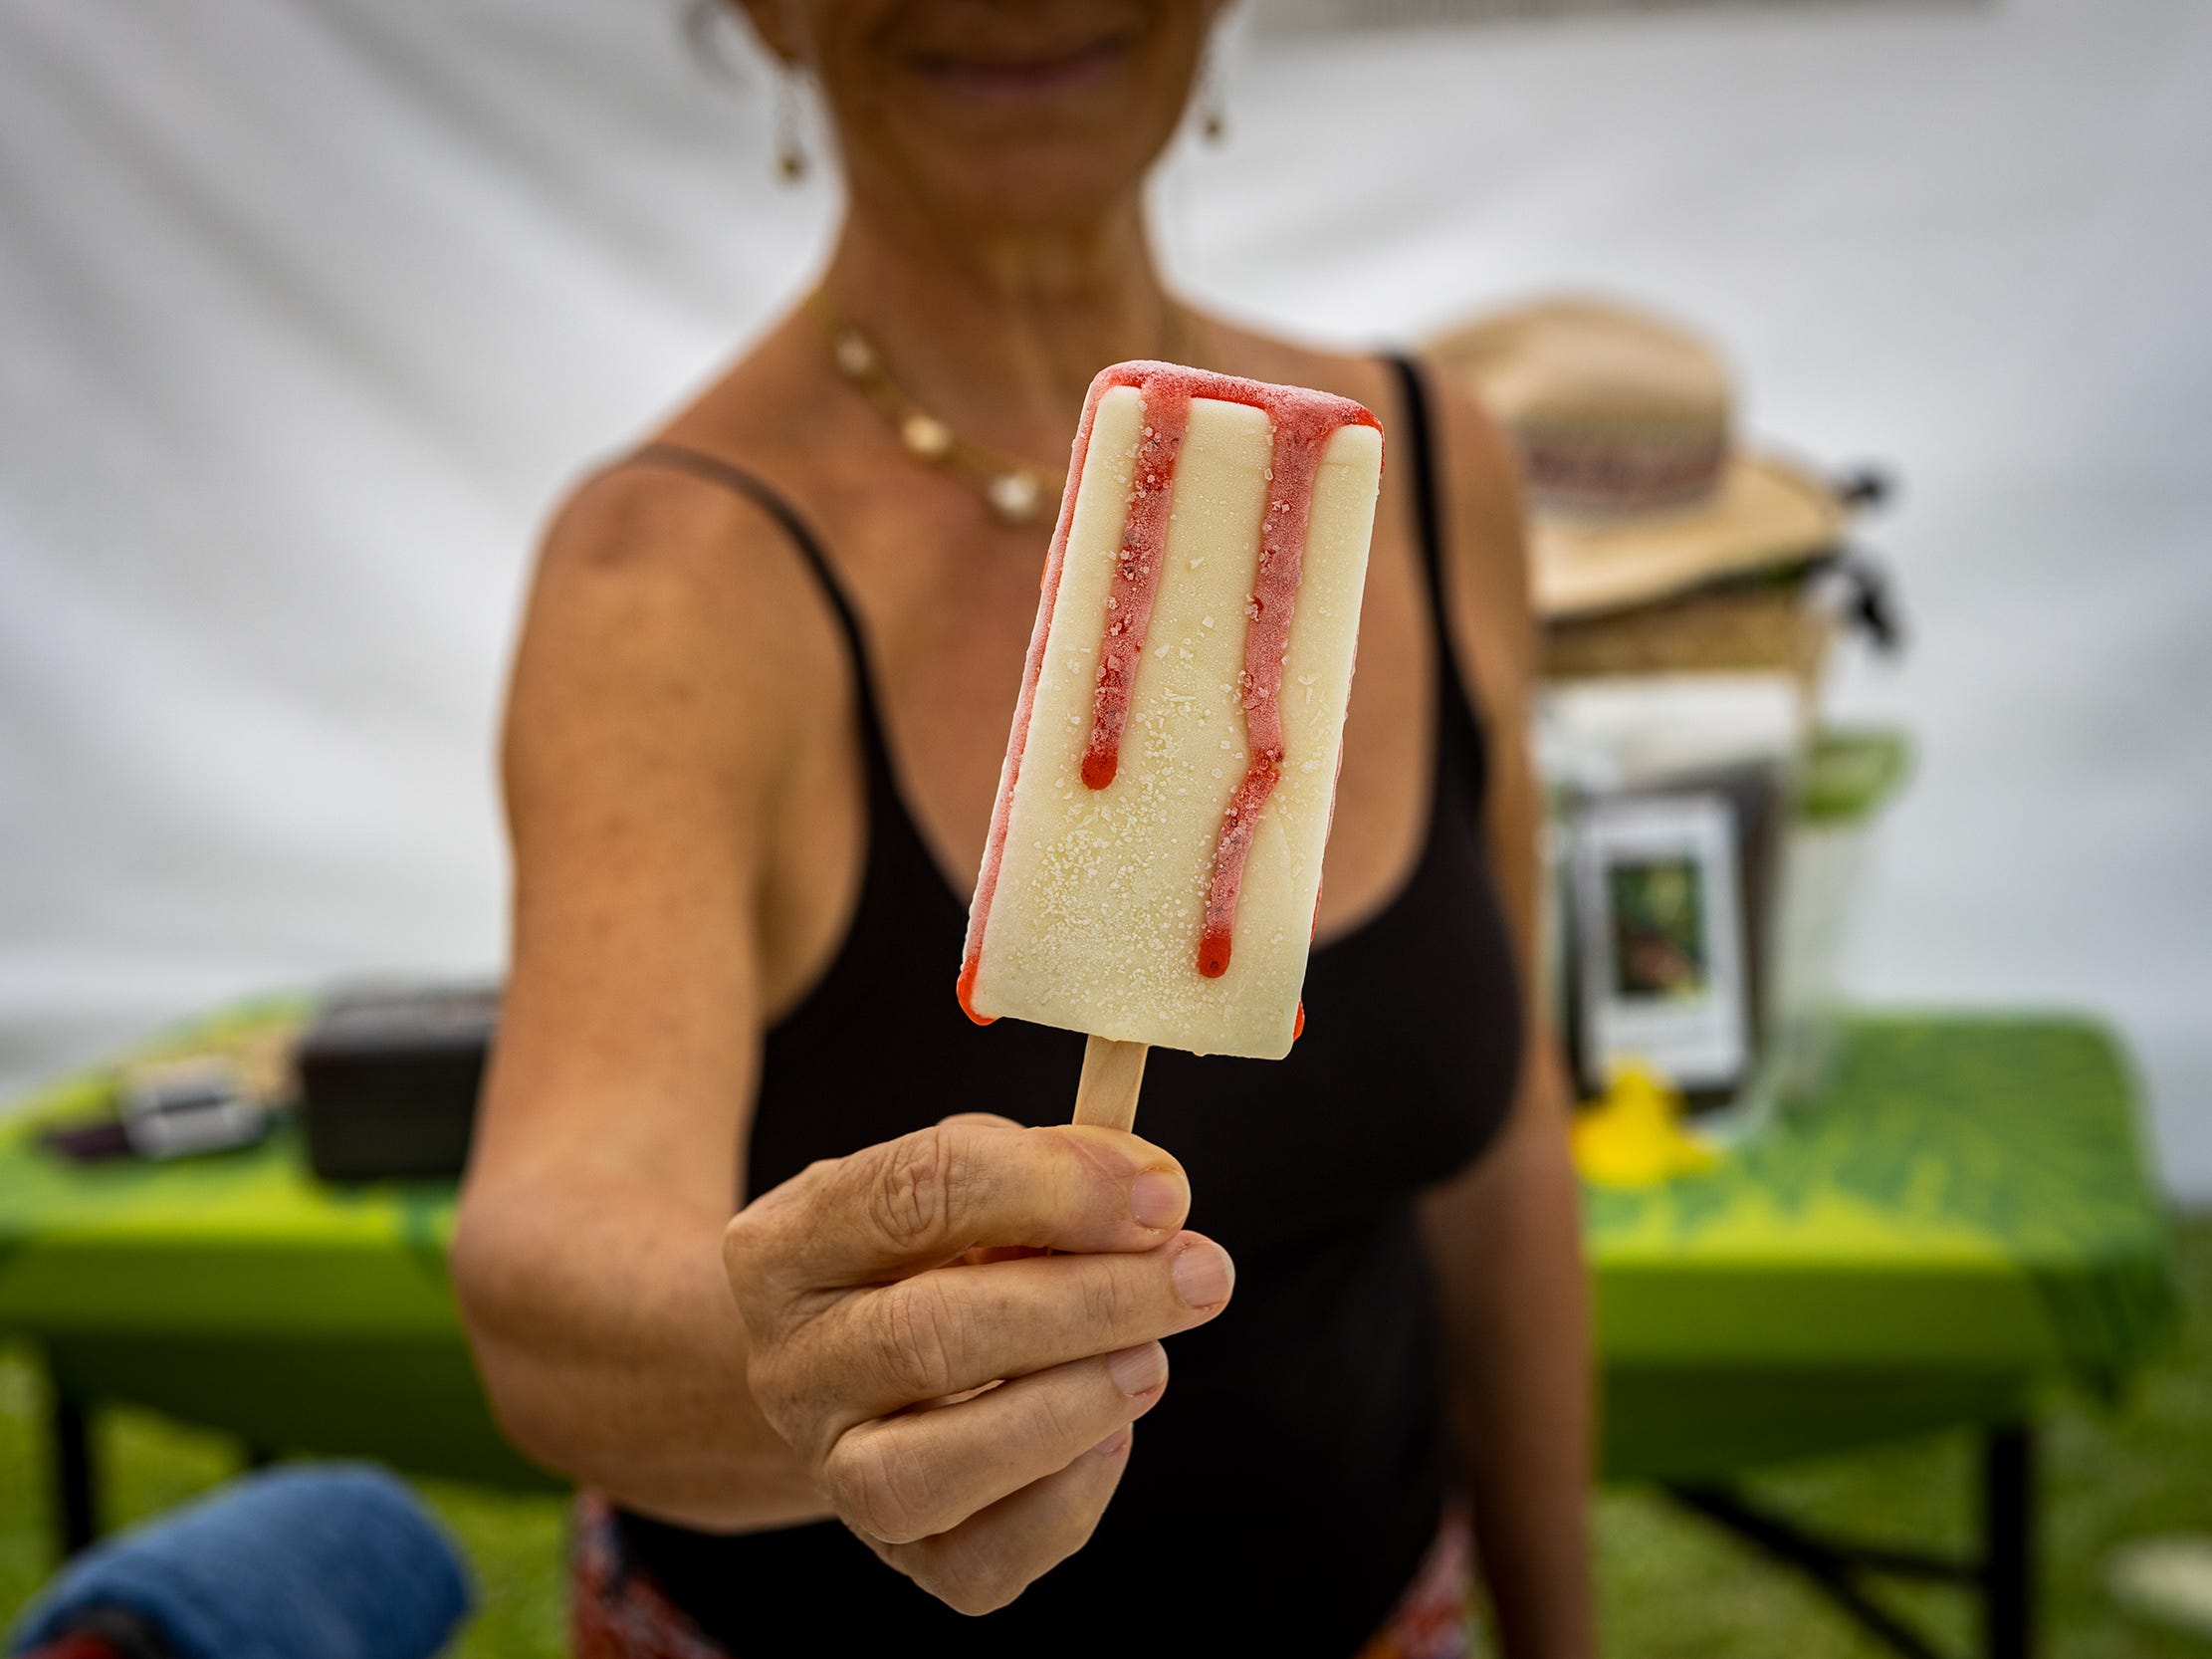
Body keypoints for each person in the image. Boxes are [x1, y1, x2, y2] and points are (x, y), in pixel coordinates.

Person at [451, 3, 1592, 1654]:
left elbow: (1504, 1156)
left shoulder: (1427, 468)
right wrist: (802, 1365)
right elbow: (544, 1264)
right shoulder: (667, 584)